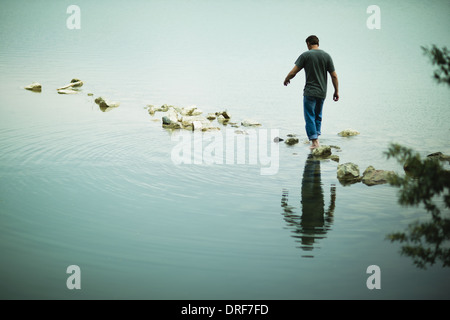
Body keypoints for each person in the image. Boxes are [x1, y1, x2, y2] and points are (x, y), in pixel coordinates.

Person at [284, 35, 339, 149]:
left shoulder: (306, 55)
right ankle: (316, 137)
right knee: (318, 116)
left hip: (310, 92)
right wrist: (336, 91)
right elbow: (334, 76)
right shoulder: (327, 56)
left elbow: (294, 72)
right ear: (317, 43)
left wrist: (287, 79)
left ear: (308, 43)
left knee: (309, 116)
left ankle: (314, 142)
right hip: (322, 92)